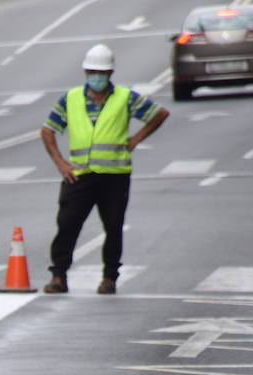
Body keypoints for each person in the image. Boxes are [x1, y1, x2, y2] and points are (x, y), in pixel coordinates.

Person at [39, 44, 168, 295]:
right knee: (67, 225)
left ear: (110, 73)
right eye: (92, 72)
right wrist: (60, 163)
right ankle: (58, 276)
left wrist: (136, 139)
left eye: (101, 72)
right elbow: (47, 130)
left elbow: (159, 113)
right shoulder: (71, 98)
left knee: (113, 227)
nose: (96, 77)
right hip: (78, 175)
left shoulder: (125, 97)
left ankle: (109, 277)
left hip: (114, 175)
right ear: (85, 72)